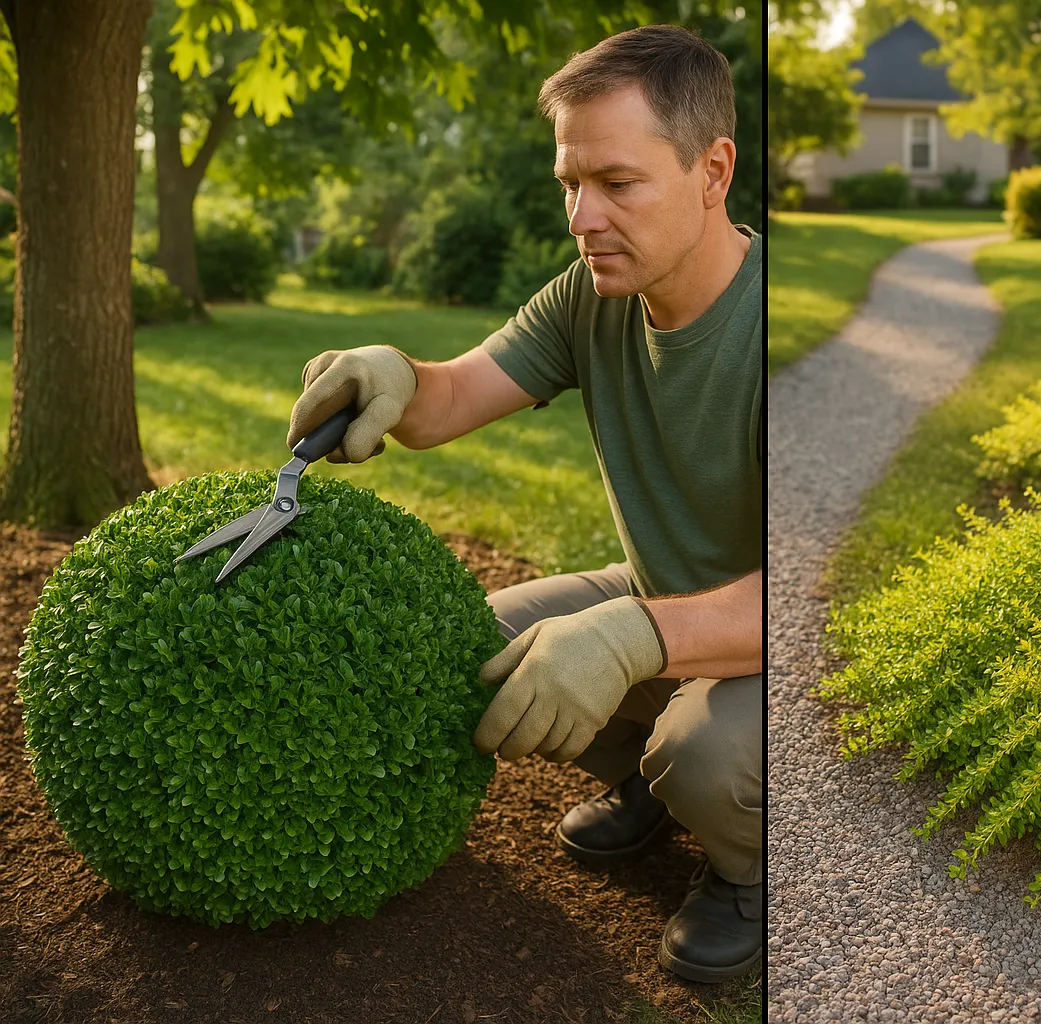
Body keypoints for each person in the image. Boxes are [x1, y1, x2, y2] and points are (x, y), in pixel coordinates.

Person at [284, 24, 763, 984]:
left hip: (789, 655)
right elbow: (451, 395)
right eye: (569, 185)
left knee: (705, 755)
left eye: (618, 184)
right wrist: (393, 373)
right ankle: (650, 787)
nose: (583, 216)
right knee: (464, 645)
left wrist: (627, 638)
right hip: (666, 595)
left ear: (713, 172)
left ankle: (749, 869)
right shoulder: (592, 298)